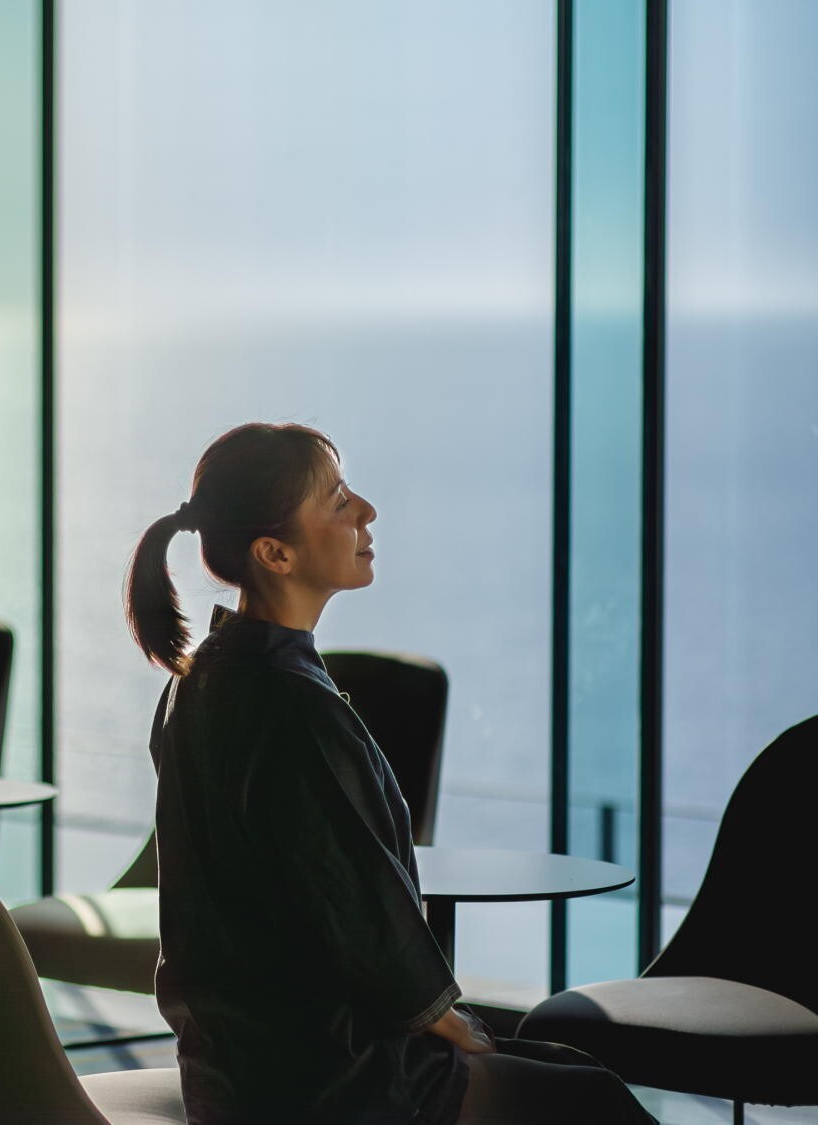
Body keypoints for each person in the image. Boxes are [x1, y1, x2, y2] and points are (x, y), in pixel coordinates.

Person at [127, 422, 657, 1125]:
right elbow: (351, 893)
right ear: (275, 553)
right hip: (328, 1077)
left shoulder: (199, 682)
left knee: (559, 1066)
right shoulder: (290, 703)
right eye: (338, 500)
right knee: (588, 1096)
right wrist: (440, 1015)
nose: (366, 511)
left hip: (233, 1065)